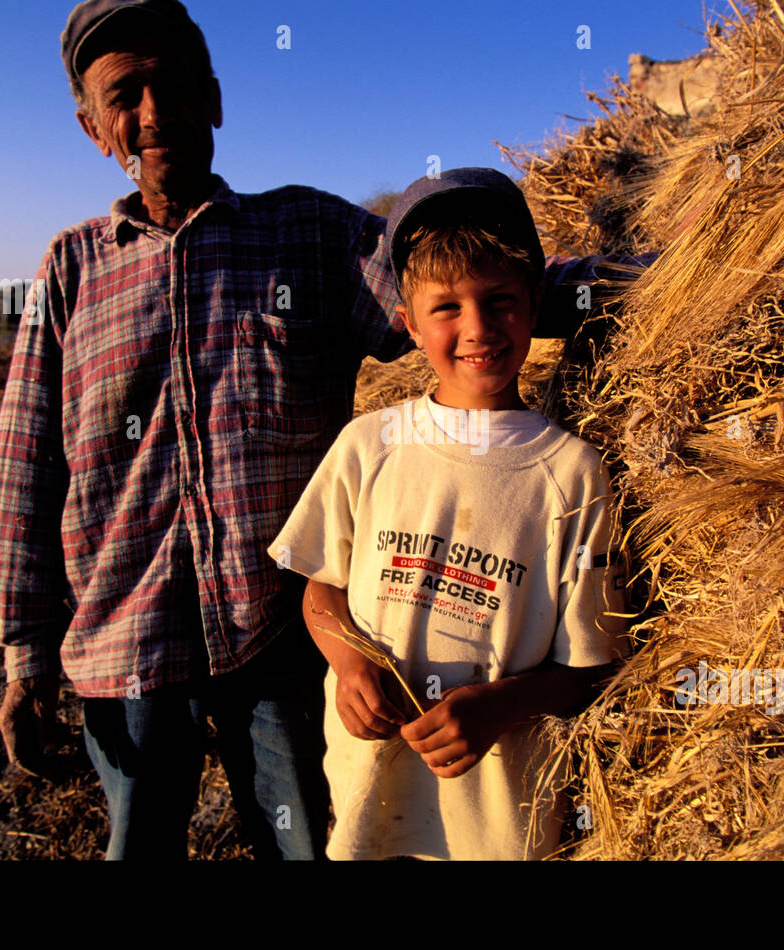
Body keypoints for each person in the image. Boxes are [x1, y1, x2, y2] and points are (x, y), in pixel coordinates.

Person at [0, 0, 641, 861]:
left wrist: (664, 275)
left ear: (213, 97)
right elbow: (22, 466)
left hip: (276, 641)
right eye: (125, 93)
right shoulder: (71, 268)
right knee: (136, 845)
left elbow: (461, 283)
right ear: (90, 125)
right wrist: (25, 652)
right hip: (123, 641)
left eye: (172, 82)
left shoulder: (308, 233)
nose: (152, 111)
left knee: (302, 844)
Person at [268, 168, 626, 860]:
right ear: (406, 322)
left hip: (494, 823)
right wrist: (349, 665)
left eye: (499, 300)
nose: (477, 329)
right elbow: (320, 590)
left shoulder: (571, 474)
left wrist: (498, 707)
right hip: (371, 803)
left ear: (535, 300)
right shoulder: (369, 445)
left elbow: (588, 670)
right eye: (446, 308)